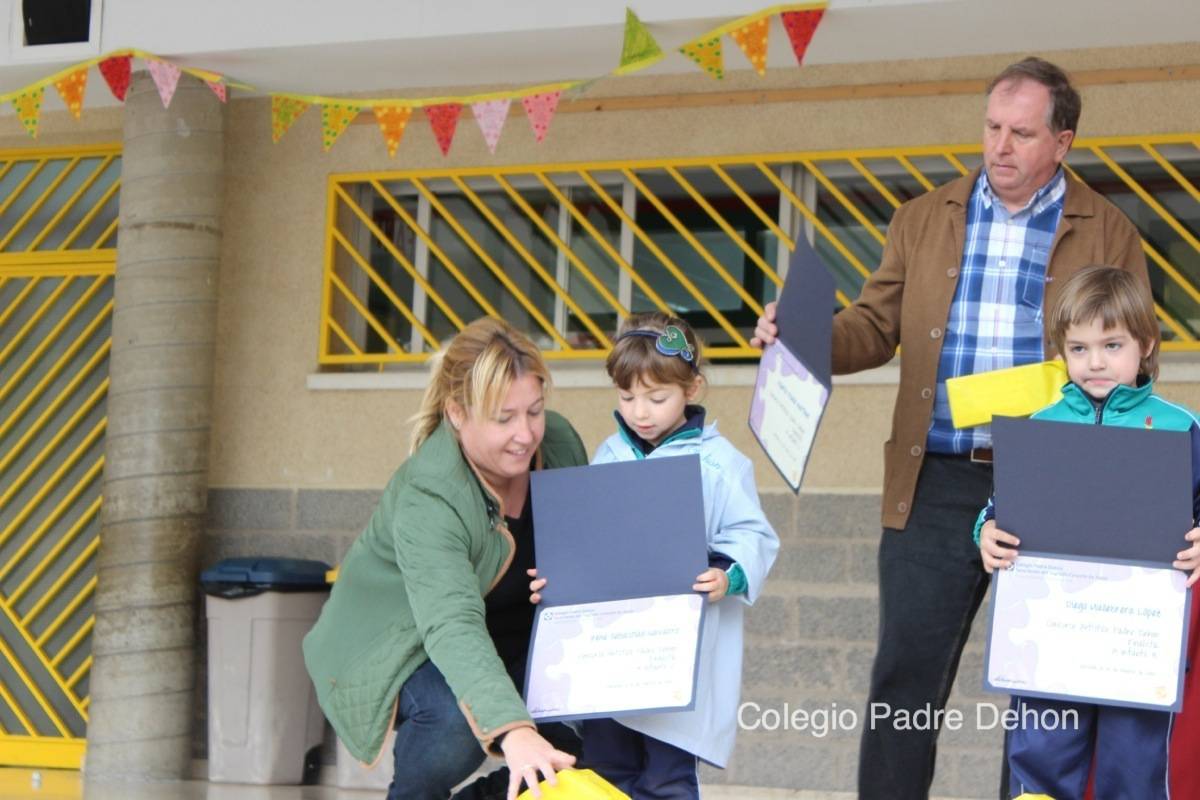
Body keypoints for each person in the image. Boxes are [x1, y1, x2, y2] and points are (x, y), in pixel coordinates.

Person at [752, 57, 1150, 798]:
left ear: (1061, 143)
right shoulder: (924, 216)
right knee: (904, 679)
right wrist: (804, 335)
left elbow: (1132, 359)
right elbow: (873, 327)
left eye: (1022, 133)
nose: (1000, 146)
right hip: (934, 477)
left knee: (1042, 687)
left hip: (1052, 486)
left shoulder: (1110, 230)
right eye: (993, 127)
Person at [302, 317, 587, 800]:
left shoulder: (557, 443)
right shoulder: (429, 494)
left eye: (534, 411)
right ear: (457, 413)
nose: (526, 434)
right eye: (504, 418)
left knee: (587, 740)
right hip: (407, 644)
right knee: (458, 721)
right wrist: (514, 730)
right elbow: (452, 625)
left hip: (513, 636)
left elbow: (588, 545)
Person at [531, 312, 779, 799]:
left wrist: (728, 576)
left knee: (668, 778)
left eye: (656, 397)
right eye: (627, 398)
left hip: (672, 656)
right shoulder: (607, 455)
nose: (640, 411)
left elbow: (754, 535)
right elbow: (583, 539)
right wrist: (558, 577)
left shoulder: (721, 463)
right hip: (608, 656)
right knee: (606, 771)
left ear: (693, 388)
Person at [975, 266, 1200, 799]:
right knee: (1042, 747)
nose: (1095, 361)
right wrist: (985, 533)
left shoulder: (1182, 427)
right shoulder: (1040, 426)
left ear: (1145, 345)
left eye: (1111, 344)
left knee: (1135, 757)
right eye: (1078, 348)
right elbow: (998, 508)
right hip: (1051, 628)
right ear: (1061, 354)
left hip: (1137, 635)